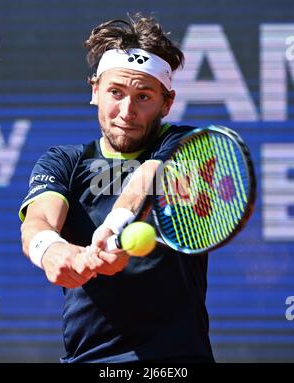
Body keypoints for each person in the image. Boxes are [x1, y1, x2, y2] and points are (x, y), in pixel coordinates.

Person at [19, 13, 215, 363]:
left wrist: (113, 227)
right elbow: (38, 221)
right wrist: (53, 252)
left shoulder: (187, 143)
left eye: (143, 96)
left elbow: (147, 179)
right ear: (95, 90)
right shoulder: (63, 161)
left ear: (166, 103)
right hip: (87, 358)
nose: (126, 110)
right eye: (115, 92)